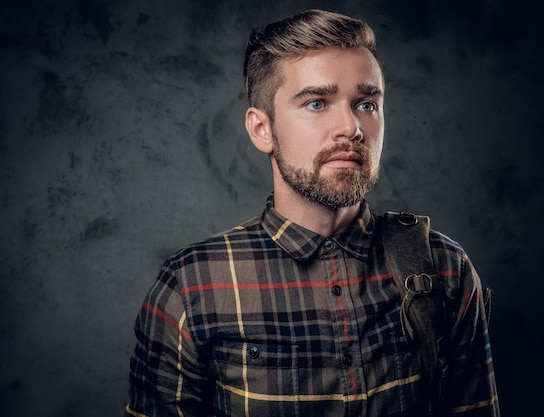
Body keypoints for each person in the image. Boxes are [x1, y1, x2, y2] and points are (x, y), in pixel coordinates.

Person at [125, 9, 499, 417]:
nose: (351, 127)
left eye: (367, 104)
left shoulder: (444, 268)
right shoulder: (191, 287)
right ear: (261, 129)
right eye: (317, 102)